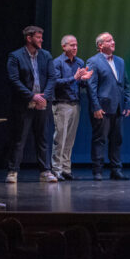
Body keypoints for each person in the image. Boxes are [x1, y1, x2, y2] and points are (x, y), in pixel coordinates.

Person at [6, 25, 57, 183]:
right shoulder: (15, 56)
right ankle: (13, 171)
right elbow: (14, 80)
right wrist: (32, 96)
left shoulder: (46, 55)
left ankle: (45, 171)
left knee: (42, 137)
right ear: (29, 38)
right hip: (24, 103)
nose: (41, 40)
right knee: (19, 138)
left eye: (41, 37)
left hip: (42, 103)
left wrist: (44, 98)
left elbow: (52, 78)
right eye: (38, 37)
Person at [86, 32, 130, 181]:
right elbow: (91, 87)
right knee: (100, 140)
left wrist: (127, 103)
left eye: (113, 39)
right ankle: (98, 171)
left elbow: (125, 84)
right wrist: (96, 107)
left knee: (117, 140)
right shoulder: (93, 61)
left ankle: (116, 170)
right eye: (109, 40)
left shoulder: (120, 61)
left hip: (118, 107)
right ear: (100, 45)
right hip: (103, 108)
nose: (113, 42)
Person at [51, 35, 92, 181]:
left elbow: (79, 84)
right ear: (64, 47)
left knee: (70, 139)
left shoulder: (79, 62)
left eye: (76, 45)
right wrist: (74, 78)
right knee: (60, 139)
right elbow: (55, 82)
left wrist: (84, 80)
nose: (75, 48)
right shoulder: (57, 62)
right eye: (72, 45)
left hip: (75, 104)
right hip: (61, 104)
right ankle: (56, 170)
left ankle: (66, 168)